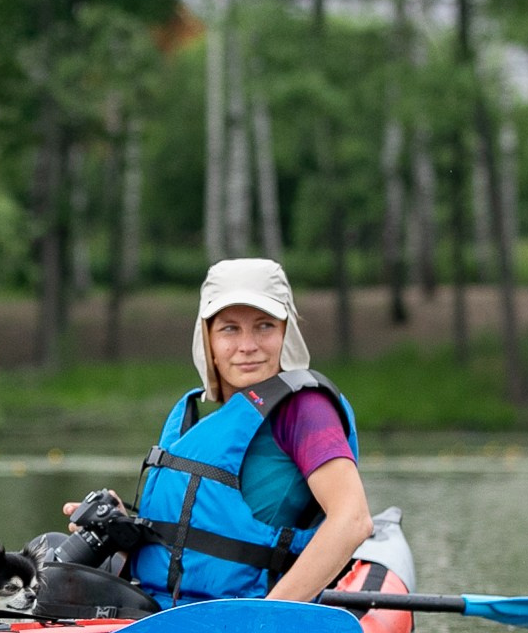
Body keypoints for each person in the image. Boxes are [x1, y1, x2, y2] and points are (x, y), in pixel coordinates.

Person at [88, 258, 372, 606]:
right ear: (207, 337)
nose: (247, 345)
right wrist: (123, 525)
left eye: (264, 326)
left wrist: (264, 618)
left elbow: (353, 519)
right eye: (229, 329)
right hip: (158, 611)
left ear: (286, 332)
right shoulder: (198, 416)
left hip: (245, 617)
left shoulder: (305, 410)